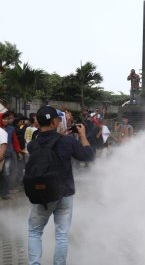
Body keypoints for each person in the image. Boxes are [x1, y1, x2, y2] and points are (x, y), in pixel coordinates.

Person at [27, 105, 94, 265]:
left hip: (43, 194)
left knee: (35, 231)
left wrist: (60, 135)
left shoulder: (32, 145)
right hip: (65, 193)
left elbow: (46, 147)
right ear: (54, 122)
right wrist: (83, 135)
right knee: (62, 235)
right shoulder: (68, 141)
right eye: (58, 118)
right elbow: (88, 155)